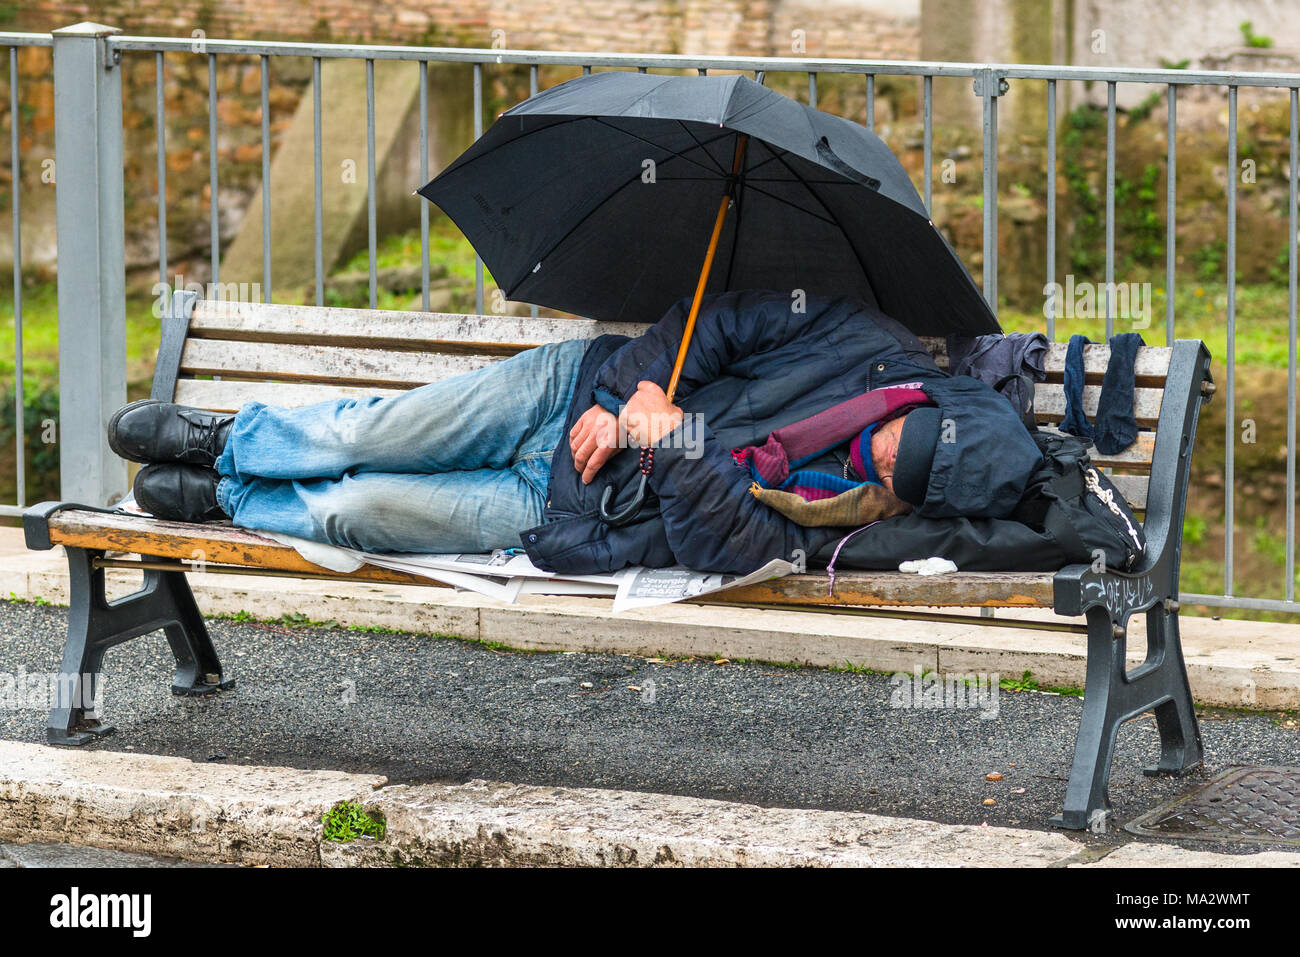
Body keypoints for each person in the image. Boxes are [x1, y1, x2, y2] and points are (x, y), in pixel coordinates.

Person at [107, 289, 1043, 576]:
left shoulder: (857, 525)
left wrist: (671, 437)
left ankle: (232, 500)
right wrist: (628, 392)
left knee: (358, 510)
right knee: (374, 431)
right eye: (901, 435)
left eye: (902, 472)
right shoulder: (863, 341)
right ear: (929, 400)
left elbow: (729, 544)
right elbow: (718, 326)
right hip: (568, 397)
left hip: (564, 510)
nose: (883, 456)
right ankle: (228, 441)